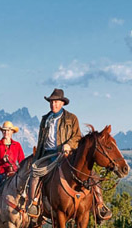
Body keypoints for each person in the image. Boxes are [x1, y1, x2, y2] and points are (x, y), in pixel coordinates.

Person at [26, 88, 111, 220]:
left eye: (56, 102)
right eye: (51, 102)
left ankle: (100, 205)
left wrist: (68, 145)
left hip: (66, 154)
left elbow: (77, 136)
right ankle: (34, 203)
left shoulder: (71, 118)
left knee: (92, 175)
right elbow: (41, 139)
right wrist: (38, 155)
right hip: (47, 153)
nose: (53, 104)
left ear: (62, 103)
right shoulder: (45, 119)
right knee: (35, 173)